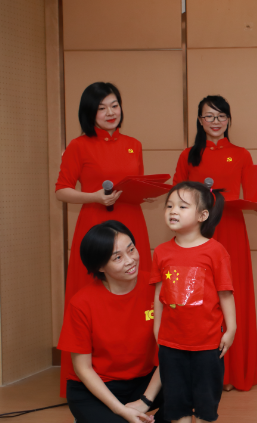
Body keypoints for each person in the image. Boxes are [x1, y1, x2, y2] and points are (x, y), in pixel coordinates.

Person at [173, 95, 257, 392]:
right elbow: (176, 197)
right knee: (199, 299)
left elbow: (255, 198)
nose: (215, 122)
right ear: (200, 121)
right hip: (198, 232)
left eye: (221, 116)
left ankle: (232, 373)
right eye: (209, 116)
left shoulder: (241, 154)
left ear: (229, 120)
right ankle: (203, 374)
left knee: (232, 294)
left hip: (232, 230)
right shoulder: (188, 155)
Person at [56, 82, 152, 398]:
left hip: (131, 222)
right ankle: (85, 381)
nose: (110, 112)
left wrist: (146, 192)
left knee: (139, 293)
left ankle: (138, 374)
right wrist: (94, 196)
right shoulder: (78, 146)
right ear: (90, 113)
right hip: (95, 225)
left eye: (114, 105)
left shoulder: (134, 144)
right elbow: (62, 190)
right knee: (91, 297)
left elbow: (134, 182)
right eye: (102, 108)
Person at [59, 221, 176, 423]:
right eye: (118, 257)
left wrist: (144, 402)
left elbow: (170, 351)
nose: (131, 260)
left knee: (197, 369)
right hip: (95, 390)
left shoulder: (156, 286)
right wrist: (121, 411)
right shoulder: (82, 303)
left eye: (131, 249)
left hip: (141, 381)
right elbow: (83, 369)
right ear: (100, 266)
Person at [151, 182, 236, 423]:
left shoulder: (215, 251)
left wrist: (231, 328)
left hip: (207, 342)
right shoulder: (162, 252)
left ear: (202, 215)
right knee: (176, 399)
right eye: (169, 205)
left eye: (182, 206)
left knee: (205, 399)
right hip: (172, 343)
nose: (173, 211)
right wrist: (157, 327)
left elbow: (225, 293)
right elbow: (159, 293)